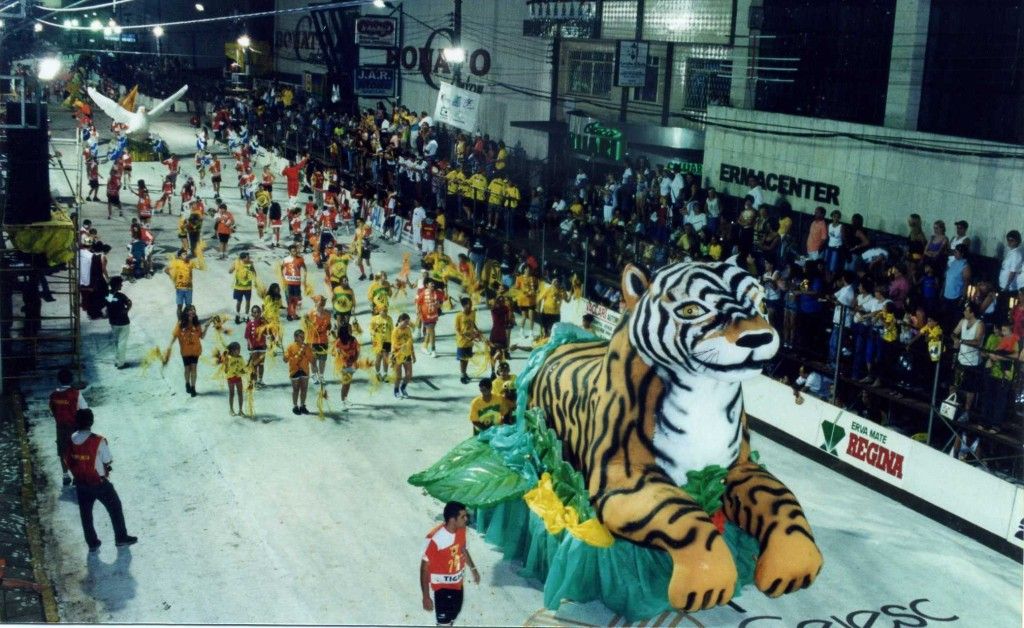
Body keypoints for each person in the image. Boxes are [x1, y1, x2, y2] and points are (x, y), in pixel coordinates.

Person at [64, 409, 137, 551]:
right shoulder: (98, 440)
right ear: (91, 422)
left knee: (86, 513)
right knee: (115, 507)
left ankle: (92, 542)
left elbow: (67, 459)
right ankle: (121, 537)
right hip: (99, 482)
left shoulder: (72, 438)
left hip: (81, 482)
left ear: (76, 422)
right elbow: (107, 459)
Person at [420, 501, 480, 626]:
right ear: (453, 520)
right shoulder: (435, 539)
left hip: (457, 586)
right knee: (444, 623)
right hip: (442, 589)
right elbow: (424, 569)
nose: (466, 519)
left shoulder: (461, 529)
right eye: (463, 517)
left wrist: (473, 569)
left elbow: (463, 549)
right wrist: (425, 596)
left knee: (452, 617)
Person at [49, 368, 87, 486]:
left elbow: (52, 410)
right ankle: (76, 476)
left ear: (58, 380)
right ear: (71, 380)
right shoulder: (76, 393)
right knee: (75, 451)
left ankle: (65, 475)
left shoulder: (53, 395)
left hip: (60, 427)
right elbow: (84, 409)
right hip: (74, 427)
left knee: (63, 451)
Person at [167, 306, 213, 397]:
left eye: (194, 310)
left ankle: (193, 388)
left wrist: (206, 328)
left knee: (194, 368)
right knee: (187, 369)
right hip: (185, 351)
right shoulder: (181, 323)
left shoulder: (196, 324)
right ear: (186, 312)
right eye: (191, 310)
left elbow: (202, 336)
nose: (193, 311)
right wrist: (170, 346)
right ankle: (187, 383)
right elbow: (175, 335)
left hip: (195, 350)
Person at [166, 248, 205, 318]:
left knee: (188, 306)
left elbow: (201, 267)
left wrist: (200, 257)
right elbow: (166, 270)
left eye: (186, 254)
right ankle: (180, 321)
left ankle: (188, 320)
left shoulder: (190, 262)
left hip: (189, 288)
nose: (186, 255)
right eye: (184, 254)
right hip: (179, 288)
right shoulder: (176, 262)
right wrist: (173, 277)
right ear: (180, 256)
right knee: (179, 306)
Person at [284, 329, 314, 415]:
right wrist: (285, 357)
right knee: (296, 389)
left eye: (303, 336)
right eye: (301, 336)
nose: (303, 338)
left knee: (304, 389)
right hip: (294, 370)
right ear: (295, 337)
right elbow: (285, 359)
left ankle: (302, 405)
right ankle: (295, 406)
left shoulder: (307, 347)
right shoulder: (290, 347)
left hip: (304, 370)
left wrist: (314, 366)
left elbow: (311, 358)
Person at [305, 295, 333, 385]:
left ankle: (321, 375)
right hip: (312, 340)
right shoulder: (309, 314)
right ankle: (314, 375)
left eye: (324, 302)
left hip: (324, 340)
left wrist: (329, 330)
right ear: (316, 303)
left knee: (322, 360)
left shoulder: (328, 314)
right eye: (321, 302)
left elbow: (329, 325)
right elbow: (306, 326)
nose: (322, 304)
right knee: (313, 359)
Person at [105, 276, 132, 369]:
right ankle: (121, 363)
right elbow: (129, 302)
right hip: (124, 322)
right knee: (122, 343)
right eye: (120, 284)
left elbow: (108, 306)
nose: (122, 285)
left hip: (113, 322)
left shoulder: (108, 295)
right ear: (116, 285)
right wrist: (127, 310)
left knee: (116, 342)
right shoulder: (121, 295)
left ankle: (117, 361)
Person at [454, 297, 481, 384]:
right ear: (464, 305)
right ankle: (462, 375)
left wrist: (477, 330)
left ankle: (465, 373)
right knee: (462, 359)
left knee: (467, 358)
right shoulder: (459, 315)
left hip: (470, 340)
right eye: (469, 304)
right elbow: (457, 329)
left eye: (471, 303)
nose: (471, 305)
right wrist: (464, 336)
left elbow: (473, 323)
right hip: (462, 341)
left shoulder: (473, 313)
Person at [416, 279, 445, 357]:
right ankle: (433, 350)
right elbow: (418, 302)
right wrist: (418, 311)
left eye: (433, 284)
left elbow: (441, 303)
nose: (433, 285)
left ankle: (424, 347)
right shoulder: (423, 293)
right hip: (425, 316)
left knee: (429, 332)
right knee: (432, 332)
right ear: (426, 285)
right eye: (431, 283)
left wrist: (438, 305)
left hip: (434, 316)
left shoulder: (437, 293)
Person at [334, 323, 360, 409]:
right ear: (345, 331)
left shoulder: (353, 339)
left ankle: (345, 399)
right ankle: (342, 402)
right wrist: (344, 359)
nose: (351, 330)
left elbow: (357, 351)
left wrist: (355, 360)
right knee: (345, 383)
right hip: (343, 365)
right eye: (349, 329)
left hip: (351, 364)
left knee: (348, 383)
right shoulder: (338, 342)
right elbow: (337, 354)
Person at [391, 312, 415, 398]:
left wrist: (413, 355)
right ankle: (396, 390)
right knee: (398, 376)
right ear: (400, 321)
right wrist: (402, 346)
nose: (407, 324)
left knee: (409, 375)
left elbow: (411, 343)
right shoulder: (395, 331)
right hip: (397, 355)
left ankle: (403, 388)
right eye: (406, 322)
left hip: (407, 355)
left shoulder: (408, 329)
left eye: (408, 322)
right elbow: (394, 345)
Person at [244, 305, 268, 387]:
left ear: (260, 313)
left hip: (262, 347)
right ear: (252, 313)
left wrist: (266, 322)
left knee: (261, 364)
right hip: (253, 347)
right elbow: (247, 336)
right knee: (254, 364)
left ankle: (260, 380)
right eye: (254, 312)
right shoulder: (249, 324)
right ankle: (254, 381)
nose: (256, 314)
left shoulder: (263, 323)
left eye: (258, 312)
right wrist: (250, 345)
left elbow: (267, 332)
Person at [230, 252, 256, 324]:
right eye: (248, 257)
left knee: (248, 302)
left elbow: (254, 273)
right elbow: (230, 271)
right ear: (243, 258)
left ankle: (246, 316)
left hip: (248, 287)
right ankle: (237, 315)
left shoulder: (250, 263)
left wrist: (253, 275)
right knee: (239, 302)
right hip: (238, 287)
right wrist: (233, 268)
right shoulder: (236, 263)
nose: (249, 258)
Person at [221, 341, 246, 416]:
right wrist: (225, 365)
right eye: (238, 350)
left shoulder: (241, 358)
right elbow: (225, 371)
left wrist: (245, 371)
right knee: (231, 394)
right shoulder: (228, 358)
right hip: (231, 378)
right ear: (232, 350)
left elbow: (243, 368)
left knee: (240, 393)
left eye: (239, 349)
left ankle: (240, 410)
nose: (239, 351)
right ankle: (231, 410)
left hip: (238, 378)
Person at [282, 244, 306, 321]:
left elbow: (305, 268)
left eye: (295, 251)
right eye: (293, 251)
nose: (295, 252)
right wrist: (283, 278)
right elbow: (281, 268)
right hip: (288, 282)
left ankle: (294, 314)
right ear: (290, 252)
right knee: (289, 299)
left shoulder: (300, 259)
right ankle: (289, 314)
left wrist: (305, 279)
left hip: (297, 283)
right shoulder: (286, 259)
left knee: (295, 299)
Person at [370, 306, 395, 381]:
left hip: (387, 341)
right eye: (383, 311)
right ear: (379, 311)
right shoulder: (374, 319)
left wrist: (393, 340)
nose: (385, 312)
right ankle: (378, 373)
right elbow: (371, 329)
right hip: (378, 341)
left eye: (386, 311)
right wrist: (373, 333)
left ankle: (385, 374)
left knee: (385, 357)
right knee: (378, 357)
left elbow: (392, 330)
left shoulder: (389, 319)